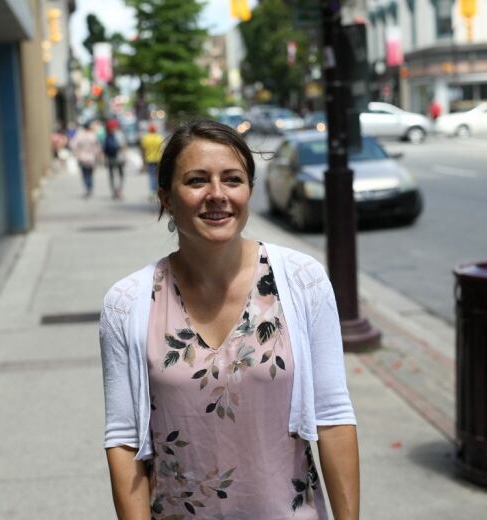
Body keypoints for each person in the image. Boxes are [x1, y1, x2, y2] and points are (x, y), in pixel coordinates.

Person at [100, 120, 360, 519]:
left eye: (232, 179)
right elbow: (123, 440)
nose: (217, 195)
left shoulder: (301, 281)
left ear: (249, 192)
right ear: (166, 197)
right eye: (197, 181)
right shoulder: (127, 303)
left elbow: (333, 418)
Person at [70, 122, 102, 198]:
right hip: (91, 157)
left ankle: (87, 187)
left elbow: (73, 145)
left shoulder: (79, 135)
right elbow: (97, 147)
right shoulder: (93, 135)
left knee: (84, 173)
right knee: (90, 173)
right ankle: (90, 188)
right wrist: (98, 155)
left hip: (82, 157)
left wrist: (77, 152)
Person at [140, 122, 164, 202]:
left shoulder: (145, 138)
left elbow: (143, 150)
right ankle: (157, 190)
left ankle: (152, 192)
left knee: (151, 176)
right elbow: (162, 150)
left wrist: (143, 162)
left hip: (149, 160)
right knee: (157, 177)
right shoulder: (159, 138)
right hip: (158, 160)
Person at [104, 119, 126, 200]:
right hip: (119, 158)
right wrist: (125, 157)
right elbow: (123, 147)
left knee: (111, 175)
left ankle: (114, 191)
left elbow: (104, 149)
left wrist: (104, 159)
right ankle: (119, 190)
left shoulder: (106, 135)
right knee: (121, 174)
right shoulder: (120, 134)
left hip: (110, 158)